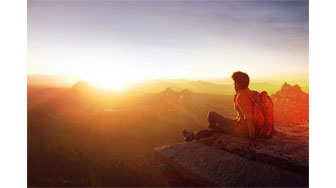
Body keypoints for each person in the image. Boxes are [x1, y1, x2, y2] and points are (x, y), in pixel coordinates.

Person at [182, 71, 258, 146]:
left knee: (211, 114)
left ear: (237, 84)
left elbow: (249, 118)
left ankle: (200, 134)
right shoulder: (251, 93)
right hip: (244, 126)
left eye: (234, 83)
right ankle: (195, 135)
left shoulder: (241, 96)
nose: (234, 85)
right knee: (218, 129)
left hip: (240, 130)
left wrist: (252, 137)